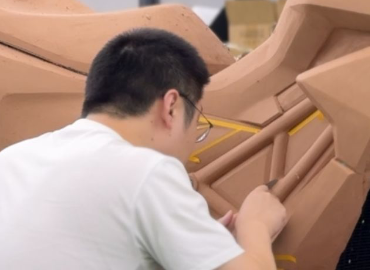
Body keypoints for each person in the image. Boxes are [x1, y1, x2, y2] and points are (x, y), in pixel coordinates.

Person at [0, 28, 287, 270]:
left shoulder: (11, 161)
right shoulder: (148, 171)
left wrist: (201, 246)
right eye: (199, 124)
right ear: (172, 107)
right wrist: (256, 228)